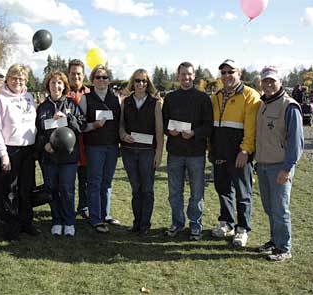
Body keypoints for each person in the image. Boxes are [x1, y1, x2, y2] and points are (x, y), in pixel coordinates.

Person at [209, 59, 261, 247]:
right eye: (223, 73)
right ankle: (227, 223)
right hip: (219, 151)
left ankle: (242, 229)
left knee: (243, 192)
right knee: (223, 189)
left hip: (239, 153)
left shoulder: (250, 95)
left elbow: (251, 128)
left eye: (230, 72)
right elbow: (212, 126)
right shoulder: (216, 96)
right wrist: (211, 149)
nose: (226, 76)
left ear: (239, 73)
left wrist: (245, 150)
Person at [255, 66, 304, 262]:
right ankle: (275, 241)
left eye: (272, 81)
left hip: (279, 167)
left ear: (280, 82)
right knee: (269, 208)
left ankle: (284, 247)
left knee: (281, 208)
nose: (268, 84)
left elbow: (296, 143)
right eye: (265, 81)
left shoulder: (289, 106)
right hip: (263, 165)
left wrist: (287, 168)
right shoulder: (262, 104)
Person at [162, 62, 213, 240]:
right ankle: (177, 223)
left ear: (194, 76)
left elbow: (209, 126)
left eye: (189, 74)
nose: (186, 77)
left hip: (196, 154)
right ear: (178, 76)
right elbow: (163, 122)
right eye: (183, 74)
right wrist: (169, 131)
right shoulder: (170, 98)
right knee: (174, 192)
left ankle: (195, 225)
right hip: (175, 153)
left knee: (196, 193)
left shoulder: (203, 98)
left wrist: (194, 133)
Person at [0, 64, 39, 241]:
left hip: (28, 150)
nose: (18, 81)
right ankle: (12, 228)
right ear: (7, 79)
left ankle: (27, 222)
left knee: (26, 189)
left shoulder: (29, 97)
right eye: (14, 78)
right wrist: (3, 154)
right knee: (10, 191)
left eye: (21, 78)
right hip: (10, 150)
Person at [35, 71, 86, 236]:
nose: (56, 86)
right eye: (52, 83)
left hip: (69, 158)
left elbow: (81, 127)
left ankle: (69, 221)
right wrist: (45, 145)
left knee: (67, 189)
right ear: (48, 86)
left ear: (64, 86)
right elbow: (37, 132)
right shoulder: (42, 107)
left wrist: (68, 117)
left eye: (59, 83)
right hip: (49, 157)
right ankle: (56, 220)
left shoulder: (71, 104)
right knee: (52, 189)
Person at [119, 69, 164, 236]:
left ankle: (145, 224)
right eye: (137, 81)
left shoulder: (155, 102)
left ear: (148, 83)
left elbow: (159, 130)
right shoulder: (126, 101)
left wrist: (159, 152)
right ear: (133, 82)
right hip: (129, 151)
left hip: (147, 152)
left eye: (144, 81)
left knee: (147, 189)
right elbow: (121, 124)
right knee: (135, 189)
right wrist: (123, 135)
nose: (140, 84)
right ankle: (136, 223)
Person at [78, 64, 121, 233]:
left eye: (104, 77)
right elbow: (80, 125)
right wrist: (93, 125)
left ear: (109, 80)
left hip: (112, 146)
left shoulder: (115, 98)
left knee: (107, 182)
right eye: (98, 77)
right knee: (94, 182)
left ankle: (105, 214)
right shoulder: (85, 99)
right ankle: (95, 219)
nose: (101, 80)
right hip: (94, 147)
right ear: (92, 80)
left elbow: (119, 122)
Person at [67, 59, 91, 220]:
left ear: (83, 76)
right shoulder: (61, 92)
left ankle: (84, 206)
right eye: (73, 73)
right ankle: (67, 208)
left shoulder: (91, 94)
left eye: (79, 74)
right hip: (68, 146)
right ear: (68, 74)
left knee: (86, 179)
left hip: (87, 144)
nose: (76, 76)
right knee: (67, 181)